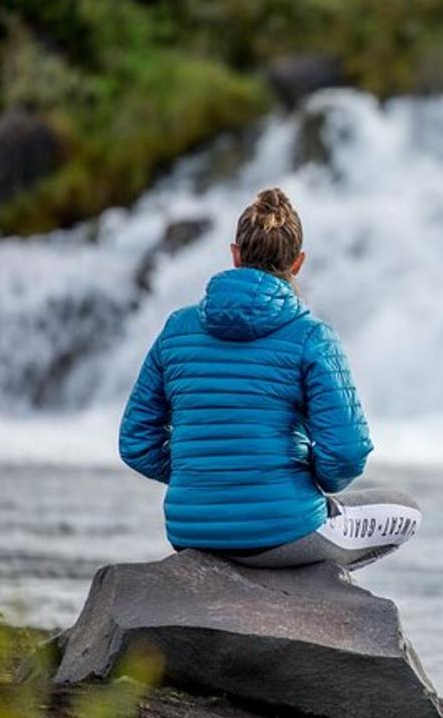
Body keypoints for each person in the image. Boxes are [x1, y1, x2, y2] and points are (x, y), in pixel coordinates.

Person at [118, 187, 419, 569]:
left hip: (190, 530)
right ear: (298, 263)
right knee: (406, 511)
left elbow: (135, 441)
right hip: (283, 532)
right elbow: (347, 451)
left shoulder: (177, 328)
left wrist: (201, 475)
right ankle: (308, 606)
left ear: (235, 255)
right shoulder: (311, 336)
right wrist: (308, 482)